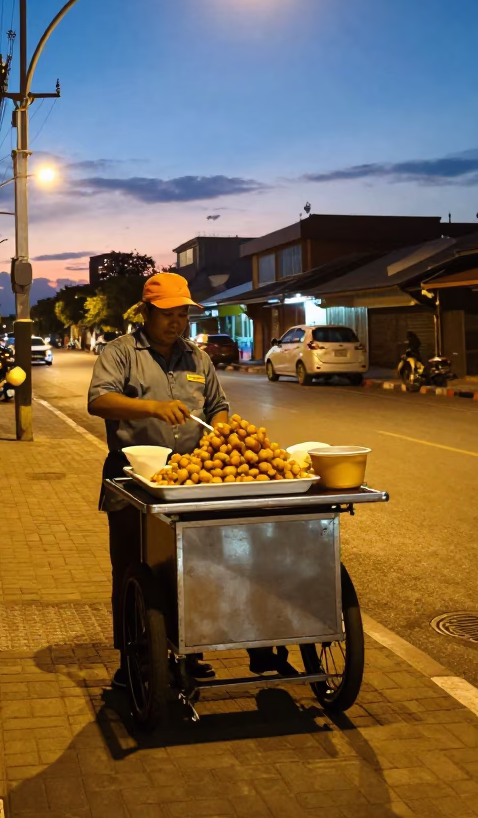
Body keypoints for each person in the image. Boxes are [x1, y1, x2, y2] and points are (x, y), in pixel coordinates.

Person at [87, 273, 290, 689]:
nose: (176, 322)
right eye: (168, 314)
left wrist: (218, 431)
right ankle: (132, 660)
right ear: (145, 312)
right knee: (131, 569)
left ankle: (190, 651)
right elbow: (99, 401)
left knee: (195, 568)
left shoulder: (197, 358)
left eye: (182, 314)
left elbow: (218, 405)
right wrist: (153, 409)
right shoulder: (120, 352)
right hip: (132, 482)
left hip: (188, 481)